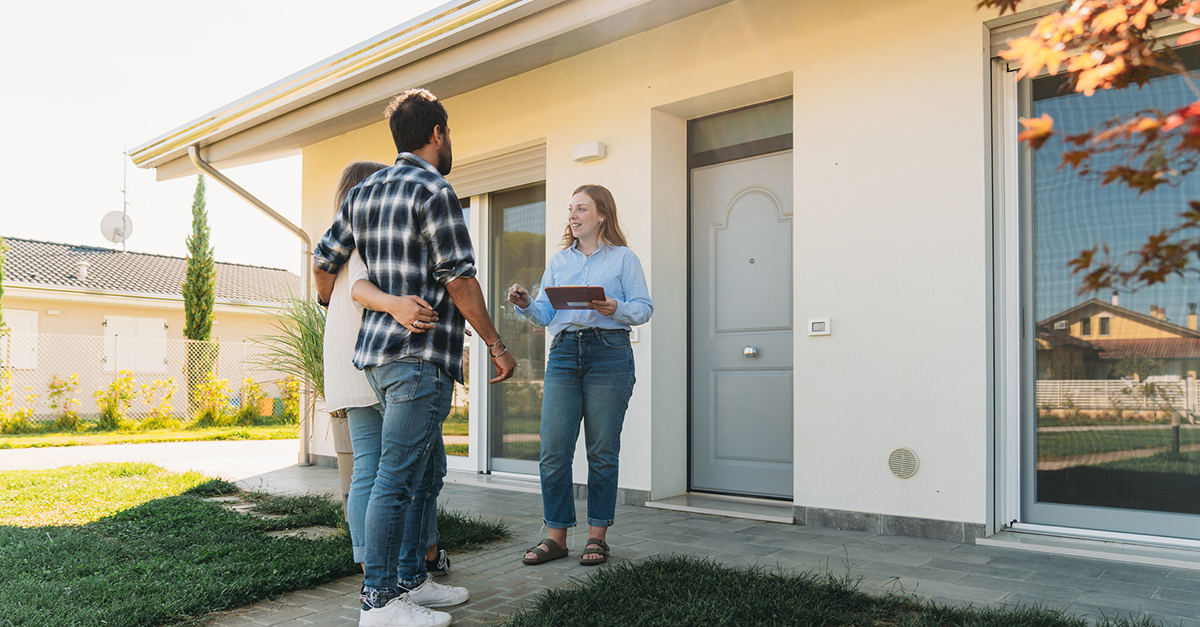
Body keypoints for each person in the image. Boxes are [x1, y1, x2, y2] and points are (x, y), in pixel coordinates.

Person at [313, 88, 516, 627]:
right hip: (419, 359)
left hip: (377, 361)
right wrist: (496, 344)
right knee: (396, 481)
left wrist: (325, 299)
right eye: (447, 134)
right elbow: (460, 280)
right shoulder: (434, 188)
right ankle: (378, 604)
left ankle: (408, 582)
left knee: (408, 476)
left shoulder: (365, 192)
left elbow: (323, 260)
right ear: (438, 134)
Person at [507, 184, 652, 567]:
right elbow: (547, 314)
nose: (572, 215)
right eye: (570, 209)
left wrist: (614, 306)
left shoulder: (623, 259)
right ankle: (556, 537)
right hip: (565, 354)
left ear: (601, 215)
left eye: (581, 209)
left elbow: (644, 308)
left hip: (610, 353)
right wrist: (526, 305)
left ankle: (597, 537)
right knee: (553, 450)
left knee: (601, 452)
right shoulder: (558, 262)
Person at [321, 161, 452, 584]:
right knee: (399, 473)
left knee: (372, 469)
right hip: (375, 361)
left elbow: (323, 289)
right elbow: (361, 290)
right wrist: (397, 304)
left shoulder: (338, 244)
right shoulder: (365, 242)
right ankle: (389, 570)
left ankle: (374, 562)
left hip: (349, 364)